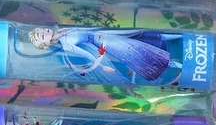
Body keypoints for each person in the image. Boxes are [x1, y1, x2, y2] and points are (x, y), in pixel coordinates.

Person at [27, 27, 172, 84]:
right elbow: (86, 54)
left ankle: (164, 41)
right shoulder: (66, 45)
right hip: (103, 41)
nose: (44, 31)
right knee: (131, 51)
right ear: (46, 43)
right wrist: (102, 66)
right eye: (42, 35)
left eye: (41, 30)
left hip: (104, 32)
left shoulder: (63, 28)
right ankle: (162, 63)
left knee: (136, 38)